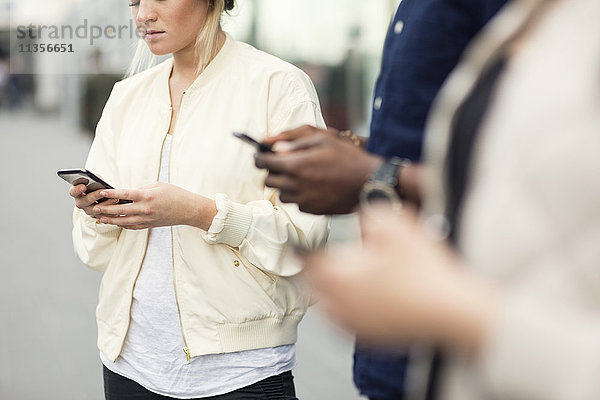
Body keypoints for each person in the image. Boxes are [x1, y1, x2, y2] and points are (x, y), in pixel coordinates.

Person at [303, 0, 600, 399]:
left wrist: (375, 174)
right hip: (435, 353)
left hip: (474, 333)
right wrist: (357, 157)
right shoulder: (541, 21)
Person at [69, 1, 328, 399]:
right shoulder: (126, 97)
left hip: (241, 371)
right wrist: (97, 213)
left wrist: (202, 213)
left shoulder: (278, 86)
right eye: (135, 1)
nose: (143, 15)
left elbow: (304, 240)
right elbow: (95, 255)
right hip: (129, 363)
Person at [255, 1, 507, 398]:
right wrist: (357, 153)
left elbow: (540, 176)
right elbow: (444, 142)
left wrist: (374, 175)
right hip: (396, 345)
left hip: (470, 347)